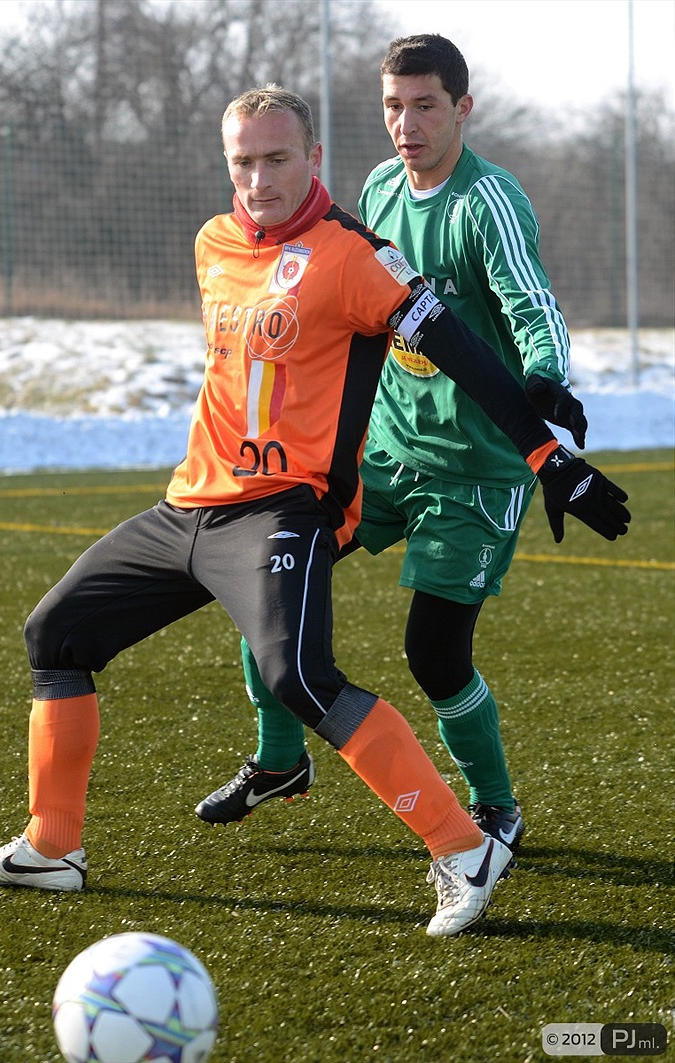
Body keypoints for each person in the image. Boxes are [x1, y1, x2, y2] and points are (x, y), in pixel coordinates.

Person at [0, 86, 629, 938]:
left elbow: (460, 349)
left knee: (299, 673)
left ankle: (465, 849)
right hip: (188, 506)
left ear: (312, 159)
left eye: (276, 158)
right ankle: (52, 847)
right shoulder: (213, 243)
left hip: (282, 514)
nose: (258, 178)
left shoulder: (357, 253)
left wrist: (547, 454)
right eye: (243, 161)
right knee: (54, 633)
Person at [195, 35, 607, 849]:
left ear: (462, 107)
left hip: (475, 469)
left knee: (434, 650)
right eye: (393, 106)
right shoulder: (381, 185)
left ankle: (496, 805)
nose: (405, 124)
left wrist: (545, 378)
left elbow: (532, 305)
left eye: (424, 106)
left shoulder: (488, 201)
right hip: (382, 453)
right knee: (266, 585)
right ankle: (280, 759)